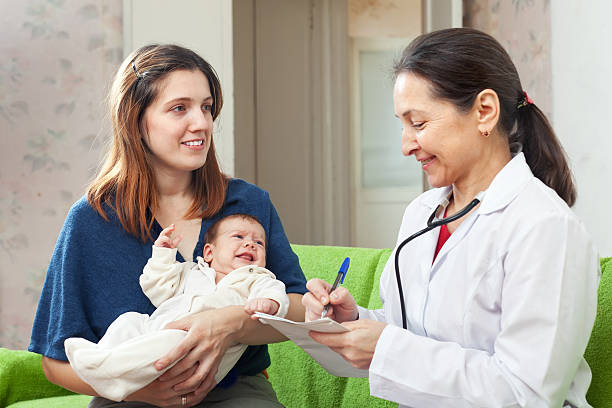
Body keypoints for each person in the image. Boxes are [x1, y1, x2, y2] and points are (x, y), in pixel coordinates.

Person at [303, 28, 600, 408]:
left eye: (419, 124)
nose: (406, 145)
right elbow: (411, 329)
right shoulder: (421, 214)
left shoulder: (546, 228)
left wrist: (387, 348)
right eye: (402, 124)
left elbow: (527, 393)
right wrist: (353, 321)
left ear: (484, 111)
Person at [29, 44, 307, 408]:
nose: (202, 123)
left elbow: (300, 308)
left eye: (206, 107)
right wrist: (145, 392)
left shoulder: (250, 203)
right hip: (129, 397)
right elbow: (55, 362)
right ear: (136, 122)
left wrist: (229, 323)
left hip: (235, 391)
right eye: (180, 108)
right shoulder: (91, 220)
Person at [64, 214, 289, 402]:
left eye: (259, 243)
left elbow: (277, 294)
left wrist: (269, 303)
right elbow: (158, 288)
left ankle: (107, 370)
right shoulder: (190, 272)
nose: (250, 244)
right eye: (239, 237)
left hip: (200, 353)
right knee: (130, 320)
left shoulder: (257, 279)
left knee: (172, 342)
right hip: (159, 329)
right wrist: (163, 254)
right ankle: (104, 356)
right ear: (209, 253)